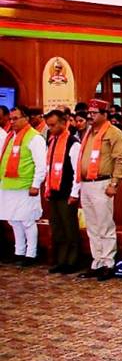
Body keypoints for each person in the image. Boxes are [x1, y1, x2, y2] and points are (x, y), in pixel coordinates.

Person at [76, 99, 122, 280]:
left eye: (94, 113)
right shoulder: (89, 132)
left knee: (104, 225)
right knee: (92, 226)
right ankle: (96, 261)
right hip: (86, 184)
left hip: (102, 184)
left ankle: (108, 262)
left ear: (105, 114)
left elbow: (120, 160)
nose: (90, 116)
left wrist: (114, 184)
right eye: (89, 113)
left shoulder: (114, 133)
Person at [0, 105, 47, 266]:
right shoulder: (10, 136)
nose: (12, 122)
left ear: (26, 118)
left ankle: (31, 253)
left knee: (27, 221)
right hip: (9, 185)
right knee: (14, 220)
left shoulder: (35, 138)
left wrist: (36, 184)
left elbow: (41, 165)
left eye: (16, 118)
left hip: (26, 186)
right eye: (11, 119)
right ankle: (19, 251)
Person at [42, 110, 82, 273]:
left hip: (67, 193)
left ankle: (72, 262)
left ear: (64, 123)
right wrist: (47, 188)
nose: (50, 129)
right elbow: (48, 167)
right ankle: (61, 260)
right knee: (57, 228)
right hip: (54, 191)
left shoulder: (73, 143)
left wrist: (74, 193)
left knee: (69, 228)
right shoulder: (52, 141)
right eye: (48, 126)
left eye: (53, 125)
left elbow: (77, 171)